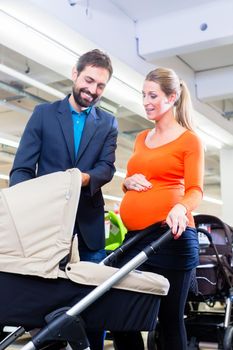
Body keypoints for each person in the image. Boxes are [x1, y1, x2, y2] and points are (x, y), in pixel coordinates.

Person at [9, 49, 118, 350]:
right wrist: (27, 209)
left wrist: (78, 179)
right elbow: (21, 168)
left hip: (89, 227)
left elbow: (106, 168)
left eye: (101, 86)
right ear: (74, 73)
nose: (93, 90)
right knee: (42, 301)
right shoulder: (44, 114)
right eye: (89, 80)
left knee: (94, 304)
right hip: (45, 226)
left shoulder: (108, 122)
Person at [112, 67, 204, 350]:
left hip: (172, 238)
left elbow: (195, 190)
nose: (146, 101)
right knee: (117, 312)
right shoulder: (141, 138)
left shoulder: (189, 139)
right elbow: (134, 182)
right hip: (136, 237)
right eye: (143, 95)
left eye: (153, 95)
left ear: (172, 97)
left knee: (169, 320)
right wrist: (127, 183)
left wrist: (180, 208)